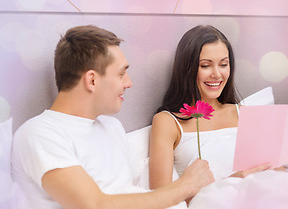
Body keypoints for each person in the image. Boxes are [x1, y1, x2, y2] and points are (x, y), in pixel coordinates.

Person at [11, 25, 214, 209]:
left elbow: (126, 196)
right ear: (92, 80)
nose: (129, 83)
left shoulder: (111, 127)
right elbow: (95, 205)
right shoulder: (40, 134)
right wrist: (186, 185)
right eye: (121, 74)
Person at [149, 25, 288, 190]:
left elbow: (285, 182)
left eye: (223, 64)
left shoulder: (246, 114)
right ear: (186, 69)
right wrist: (231, 182)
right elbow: (161, 196)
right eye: (205, 65)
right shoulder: (168, 122)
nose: (217, 74)